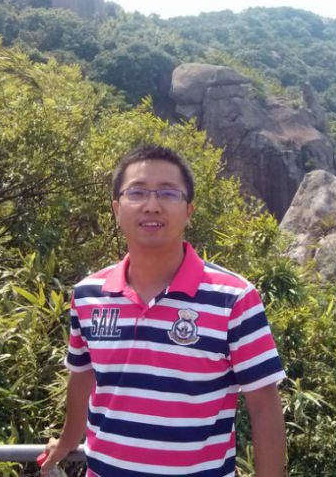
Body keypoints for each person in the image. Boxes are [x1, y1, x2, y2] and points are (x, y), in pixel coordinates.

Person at [40, 144, 286, 477]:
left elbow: (264, 404)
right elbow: (82, 377)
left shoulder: (234, 298)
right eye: (137, 192)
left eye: (168, 193)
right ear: (116, 208)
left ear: (189, 210)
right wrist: (68, 440)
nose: (152, 205)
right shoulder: (88, 295)